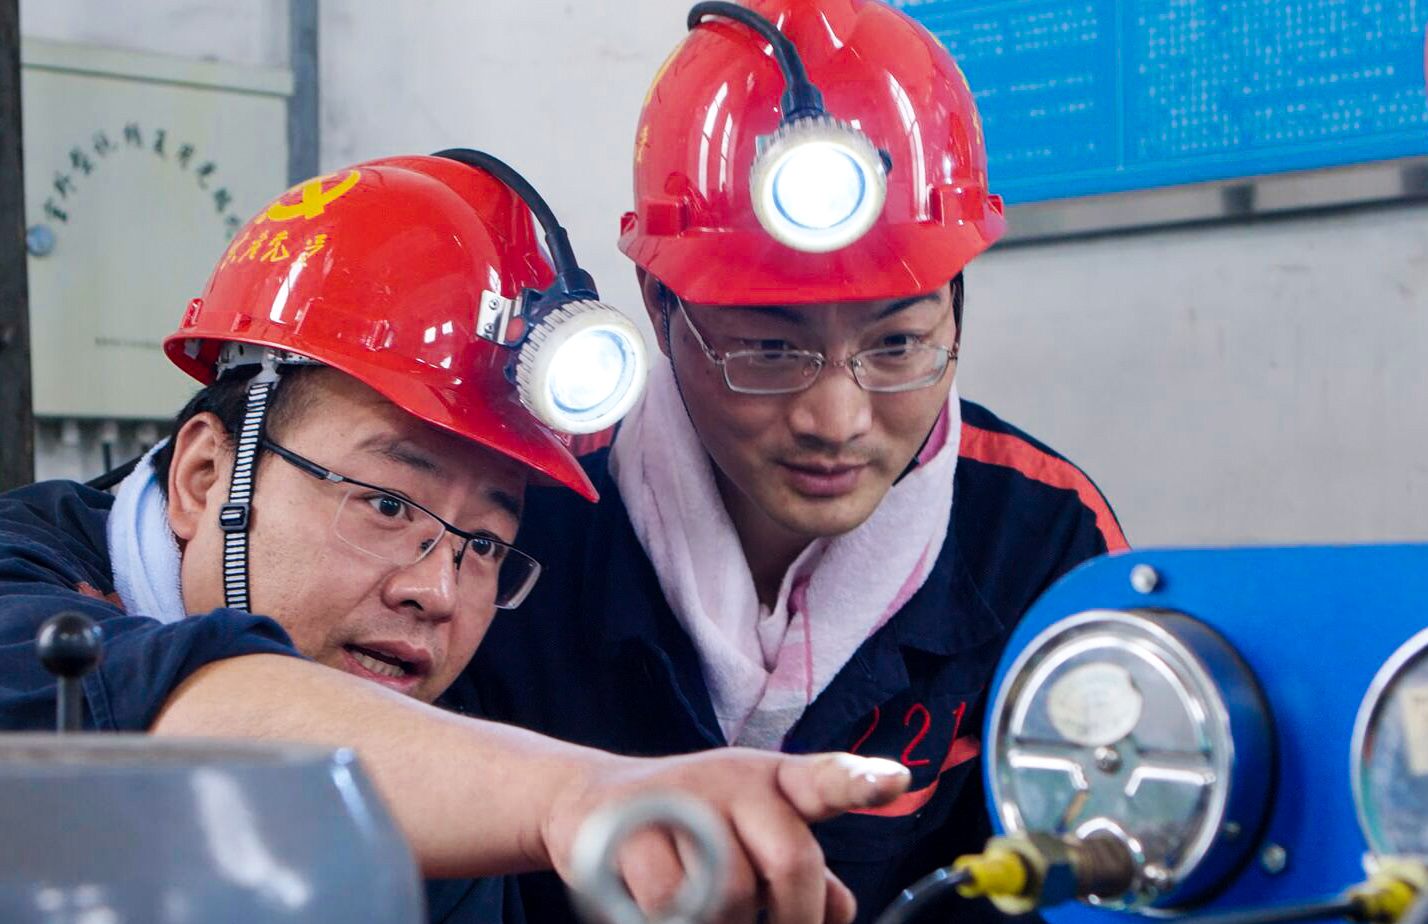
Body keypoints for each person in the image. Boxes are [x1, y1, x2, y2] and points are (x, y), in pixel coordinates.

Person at [0, 153, 911, 924]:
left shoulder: (451, 789)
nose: (435, 592)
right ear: (206, 477)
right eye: (388, 505)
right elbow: (180, 706)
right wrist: (577, 795)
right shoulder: (23, 587)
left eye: (484, 545)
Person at [460, 2, 1128, 922]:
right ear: (658, 305)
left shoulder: (1038, 532)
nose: (837, 421)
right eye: (769, 351)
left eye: (897, 345)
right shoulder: (535, 514)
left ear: (956, 305)